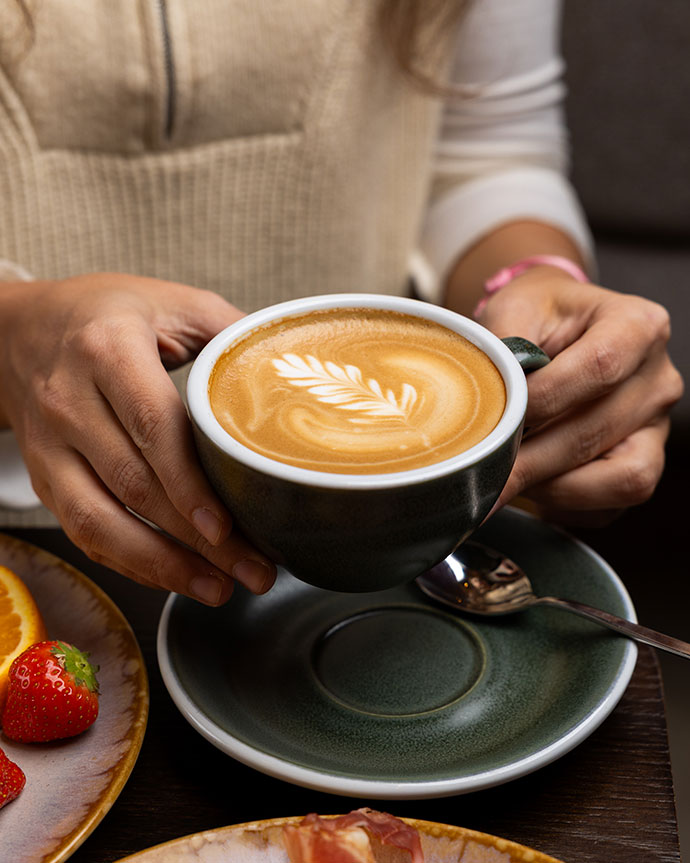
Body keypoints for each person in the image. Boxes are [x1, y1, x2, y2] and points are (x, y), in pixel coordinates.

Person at [0, 0, 682, 606]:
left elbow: (488, 150)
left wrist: (536, 280)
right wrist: (11, 335)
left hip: (402, 539)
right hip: (23, 562)